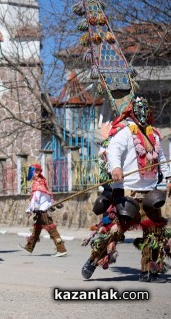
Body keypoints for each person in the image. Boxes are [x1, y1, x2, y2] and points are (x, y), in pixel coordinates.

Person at [82, 97, 171, 282]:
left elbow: (161, 156)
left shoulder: (153, 134)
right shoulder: (124, 133)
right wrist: (116, 168)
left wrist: (169, 177)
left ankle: (148, 272)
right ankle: (93, 260)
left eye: (145, 110)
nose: (143, 114)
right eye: (139, 110)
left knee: (154, 232)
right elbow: (113, 150)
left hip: (151, 192)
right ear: (132, 113)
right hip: (128, 192)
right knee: (115, 231)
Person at [18, 164, 67, 257]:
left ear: (37, 172)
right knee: (36, 230)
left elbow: (35, 200)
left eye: (32, 172)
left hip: (43, 211)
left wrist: (29, 210)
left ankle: (61, 249)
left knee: (52, 230)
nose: (30, 174)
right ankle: (29, 247)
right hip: (41, 211)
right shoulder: (41, 182)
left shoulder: (38, 183)